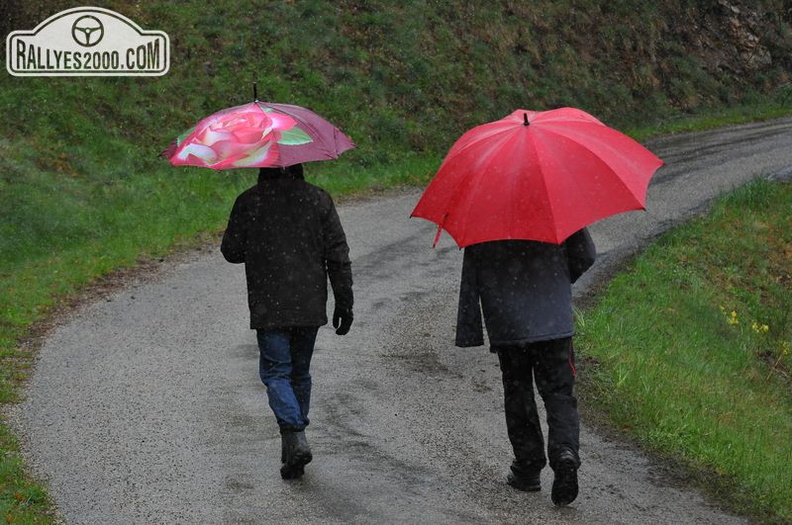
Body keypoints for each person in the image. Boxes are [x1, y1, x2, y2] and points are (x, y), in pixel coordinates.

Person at [220, 164, 354, 480]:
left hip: (269, 304)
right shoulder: (319, 200)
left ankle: (295, 434)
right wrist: (344, 302)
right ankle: (295, 442)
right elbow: (338, 255)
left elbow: (231, 251)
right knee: (299, 373)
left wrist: (259, 239)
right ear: (300, 164)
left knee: (276, 372)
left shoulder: (249, 201)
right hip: (308, 303)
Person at [455, 229, 596, 506]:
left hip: (508, 322)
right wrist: (557, 282)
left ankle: (528, 468)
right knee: (559, 393)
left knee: (518, 392)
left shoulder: (484, 214)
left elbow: (472, 274)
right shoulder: (553, 202)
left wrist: (470, 329)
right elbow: (586, 255)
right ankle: (565, 452)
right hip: (553, 322)